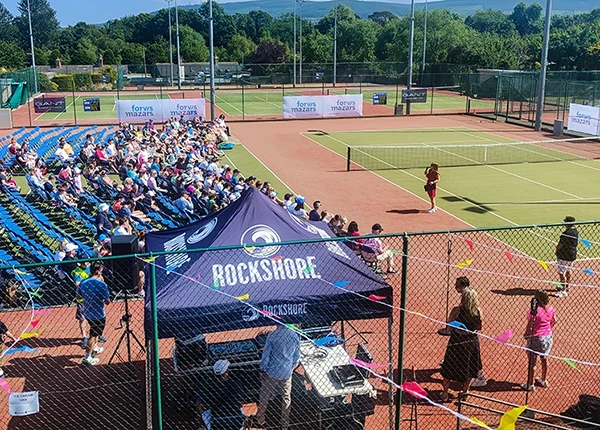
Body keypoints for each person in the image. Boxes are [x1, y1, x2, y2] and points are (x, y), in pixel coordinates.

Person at [438, 277, 487, 387]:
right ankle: (466, 390)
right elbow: (479, 327)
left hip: (457, 340)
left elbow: (449, 326)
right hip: (471, 340)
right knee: (471, 363)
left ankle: (445, 392)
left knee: (450, 366)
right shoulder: (478, 311)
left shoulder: (457, 310)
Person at [255, 324, 301, 430]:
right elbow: (296, 357)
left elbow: (266, 356)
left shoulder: (272, 335)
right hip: (287, 372)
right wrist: (291, 368)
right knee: (286, 398)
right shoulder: (294, 335)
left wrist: (262, 370)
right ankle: (284, 424)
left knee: (264, 396)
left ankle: (260, 419)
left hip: (272, 372)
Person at [520, 290, 556, 392]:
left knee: (532, 362)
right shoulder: (550, 309)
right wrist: (547, 329)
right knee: (544, 358)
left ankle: (530, 384)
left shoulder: (534, 311)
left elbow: (530, 324)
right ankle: (543, 380)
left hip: (536, 337)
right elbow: (554, 321)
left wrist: (526, 334)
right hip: (547, 337)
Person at [194, 360, 245, 430]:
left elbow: (204, 405)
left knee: (200, 404)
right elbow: (241, 403)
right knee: (241, 408)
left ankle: (202, 427)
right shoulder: (237, 384)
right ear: (227, 372)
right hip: (236, 423)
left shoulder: (210, 387)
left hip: (217, 424)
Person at [76, 261, 110, 366]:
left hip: (87, 312)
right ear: (98, 271)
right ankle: (87, 357)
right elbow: (107, 301)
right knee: (94, 334)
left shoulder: (83, 282)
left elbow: (78, 297)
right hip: (99, 314)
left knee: (94, 331)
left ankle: (94, 348)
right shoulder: (102, 284)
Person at [555, 216, 578, 297]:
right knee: (568, 271)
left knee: (561, 273)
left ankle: (563, 290)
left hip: (564, 255)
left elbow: (560, 245)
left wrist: (556, 250)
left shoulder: (565, 233)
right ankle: (567, 286)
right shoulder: (575, 232)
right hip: (572, 254)